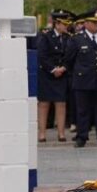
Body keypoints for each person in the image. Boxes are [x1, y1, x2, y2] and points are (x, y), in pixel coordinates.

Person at [65, 9, 97, 148]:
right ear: (85, 23)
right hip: (83, 81)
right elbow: (69, 61)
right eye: (93, 22)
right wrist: (77, 74)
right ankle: (82, 137)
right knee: (82, 110)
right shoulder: (76, 40)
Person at [36, 10, 72, 143]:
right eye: (64, 24)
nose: (66, 26)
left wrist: (63, 68)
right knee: (44, 104)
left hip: (61, 74)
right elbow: (42, 56)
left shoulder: (68, 38)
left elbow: (70, 55)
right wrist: (53, 69)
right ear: (57, 24)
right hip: (47, 74)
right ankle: (41, 133)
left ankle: (61, 133)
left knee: (61, 103)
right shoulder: (46, 36)